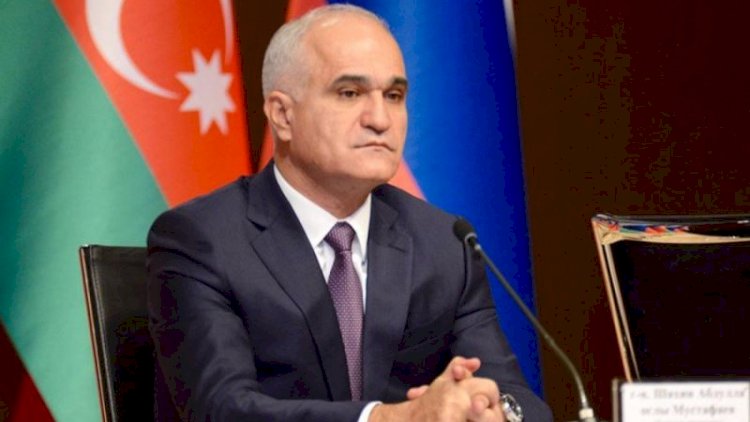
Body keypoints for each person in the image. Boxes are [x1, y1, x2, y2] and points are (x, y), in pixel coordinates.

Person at [147, 4, 552, 421]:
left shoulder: (444, 243)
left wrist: (492, 411)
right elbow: (222, 409)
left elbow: (522, 401)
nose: (380, 119)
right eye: (350, 93)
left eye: (394, 96)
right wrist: (391, 418)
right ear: (283, 115)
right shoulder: (202, 240)